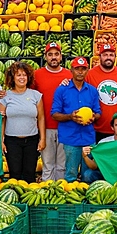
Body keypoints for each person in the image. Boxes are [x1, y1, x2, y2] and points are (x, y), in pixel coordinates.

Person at [51, 56, 101, 183]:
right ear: (71, 70)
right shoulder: (62, 90)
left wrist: (93, 118)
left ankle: (87, 200)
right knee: (70, 173)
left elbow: (98, 113)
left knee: (88, 174)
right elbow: (54, 114)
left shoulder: (92, 91)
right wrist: (70, 117)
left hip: (88, 139)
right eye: (77, 69)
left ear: (87, 70)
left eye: (83, 69)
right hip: (70, 138)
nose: (80, 72)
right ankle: (72, 200)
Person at [0, 61, 45, 183]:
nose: (22, 78)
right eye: (18, 75)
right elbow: (1, 120)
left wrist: (43, 139)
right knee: (15, 174)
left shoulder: (36, 95)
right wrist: (1, 140)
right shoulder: (5, 96)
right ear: (12, 77)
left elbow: (41, 118)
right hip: (12, 141)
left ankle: (28, 201)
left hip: (31, 140)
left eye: (24, 75)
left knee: (30, 174)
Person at [34, 41, 71, 181]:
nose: (53, 57)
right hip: (45, 127)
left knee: (62, 165)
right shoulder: (37, 75)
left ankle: (60, 192)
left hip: (65, 126)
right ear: (45, 57)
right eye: (50, 54)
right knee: (48, 164)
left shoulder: (69, 75)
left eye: (56, 54)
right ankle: (47, 192)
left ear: (61, 56)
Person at [86, 43, 117, 140]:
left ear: (115, 57)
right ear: (100, 57)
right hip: (96, 128)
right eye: (105, 55)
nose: (108, 57)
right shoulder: (90, 74)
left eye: (111, 55)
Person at [80, 112, 117, 182]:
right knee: (88, 174)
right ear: (112, 127)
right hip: (106, 174)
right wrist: (85, 156)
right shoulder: (104, 143)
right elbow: (94, 166)